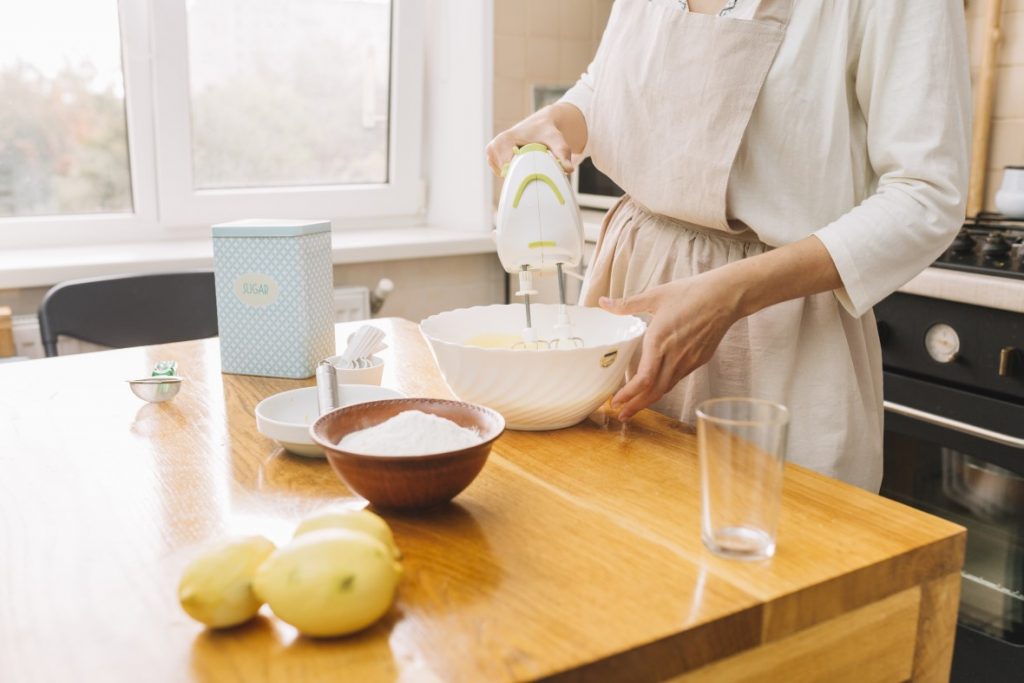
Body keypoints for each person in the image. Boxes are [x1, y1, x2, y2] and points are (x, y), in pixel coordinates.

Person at [486, 0, 971, 492]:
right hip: (631, 298)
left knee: (771, 545)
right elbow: (608, 85)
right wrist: (560, 119)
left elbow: (927, 196)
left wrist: (730, 295)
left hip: (778, 332)